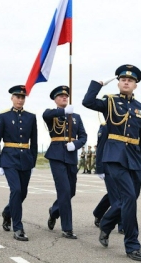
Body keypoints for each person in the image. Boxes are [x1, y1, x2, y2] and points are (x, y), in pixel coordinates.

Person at [82, 64, 141, 262]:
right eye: (123, 79)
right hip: (115, 157)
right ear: (118, 82)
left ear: (135, 85)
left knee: (131, 198)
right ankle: (132, 245)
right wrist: (97, 84)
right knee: (128, 198)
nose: (126, 82)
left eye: (130, 80)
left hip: (134, 158)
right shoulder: (109, 102)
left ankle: (106, 223)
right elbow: (87, 101)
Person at [0, 85, 38, 241]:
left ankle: (7, 212)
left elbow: (34, 142)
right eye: (17, 97)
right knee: (16, 190)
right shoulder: (3, 116)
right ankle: (18, 228)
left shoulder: (31, 117)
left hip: (25, 159)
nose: (20, 99)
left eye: (22, 97)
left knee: (23, 192)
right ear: (12, 98)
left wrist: (33, 162)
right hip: (9, 158)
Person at [43, 85, 87, 239]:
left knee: (71, 191)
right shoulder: (52, 114)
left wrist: (75, 144)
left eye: (66, 96)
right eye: (61, 96)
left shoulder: (76, 117)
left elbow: (83, 136)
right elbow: (46, 114)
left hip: (71, 155)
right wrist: (63, 111)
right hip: (56, 155)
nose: (64, 98)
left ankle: (54, 211)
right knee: (64, 191)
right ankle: (67, 228)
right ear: (55, 99)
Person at [93, 123, 123, 234]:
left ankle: (98, 213)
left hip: (123, 164)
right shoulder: (106, 127)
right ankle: (122, 224)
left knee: (114, 194)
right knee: (117, 196)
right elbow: (100, 147)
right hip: (108, 166)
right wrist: (100, 168)